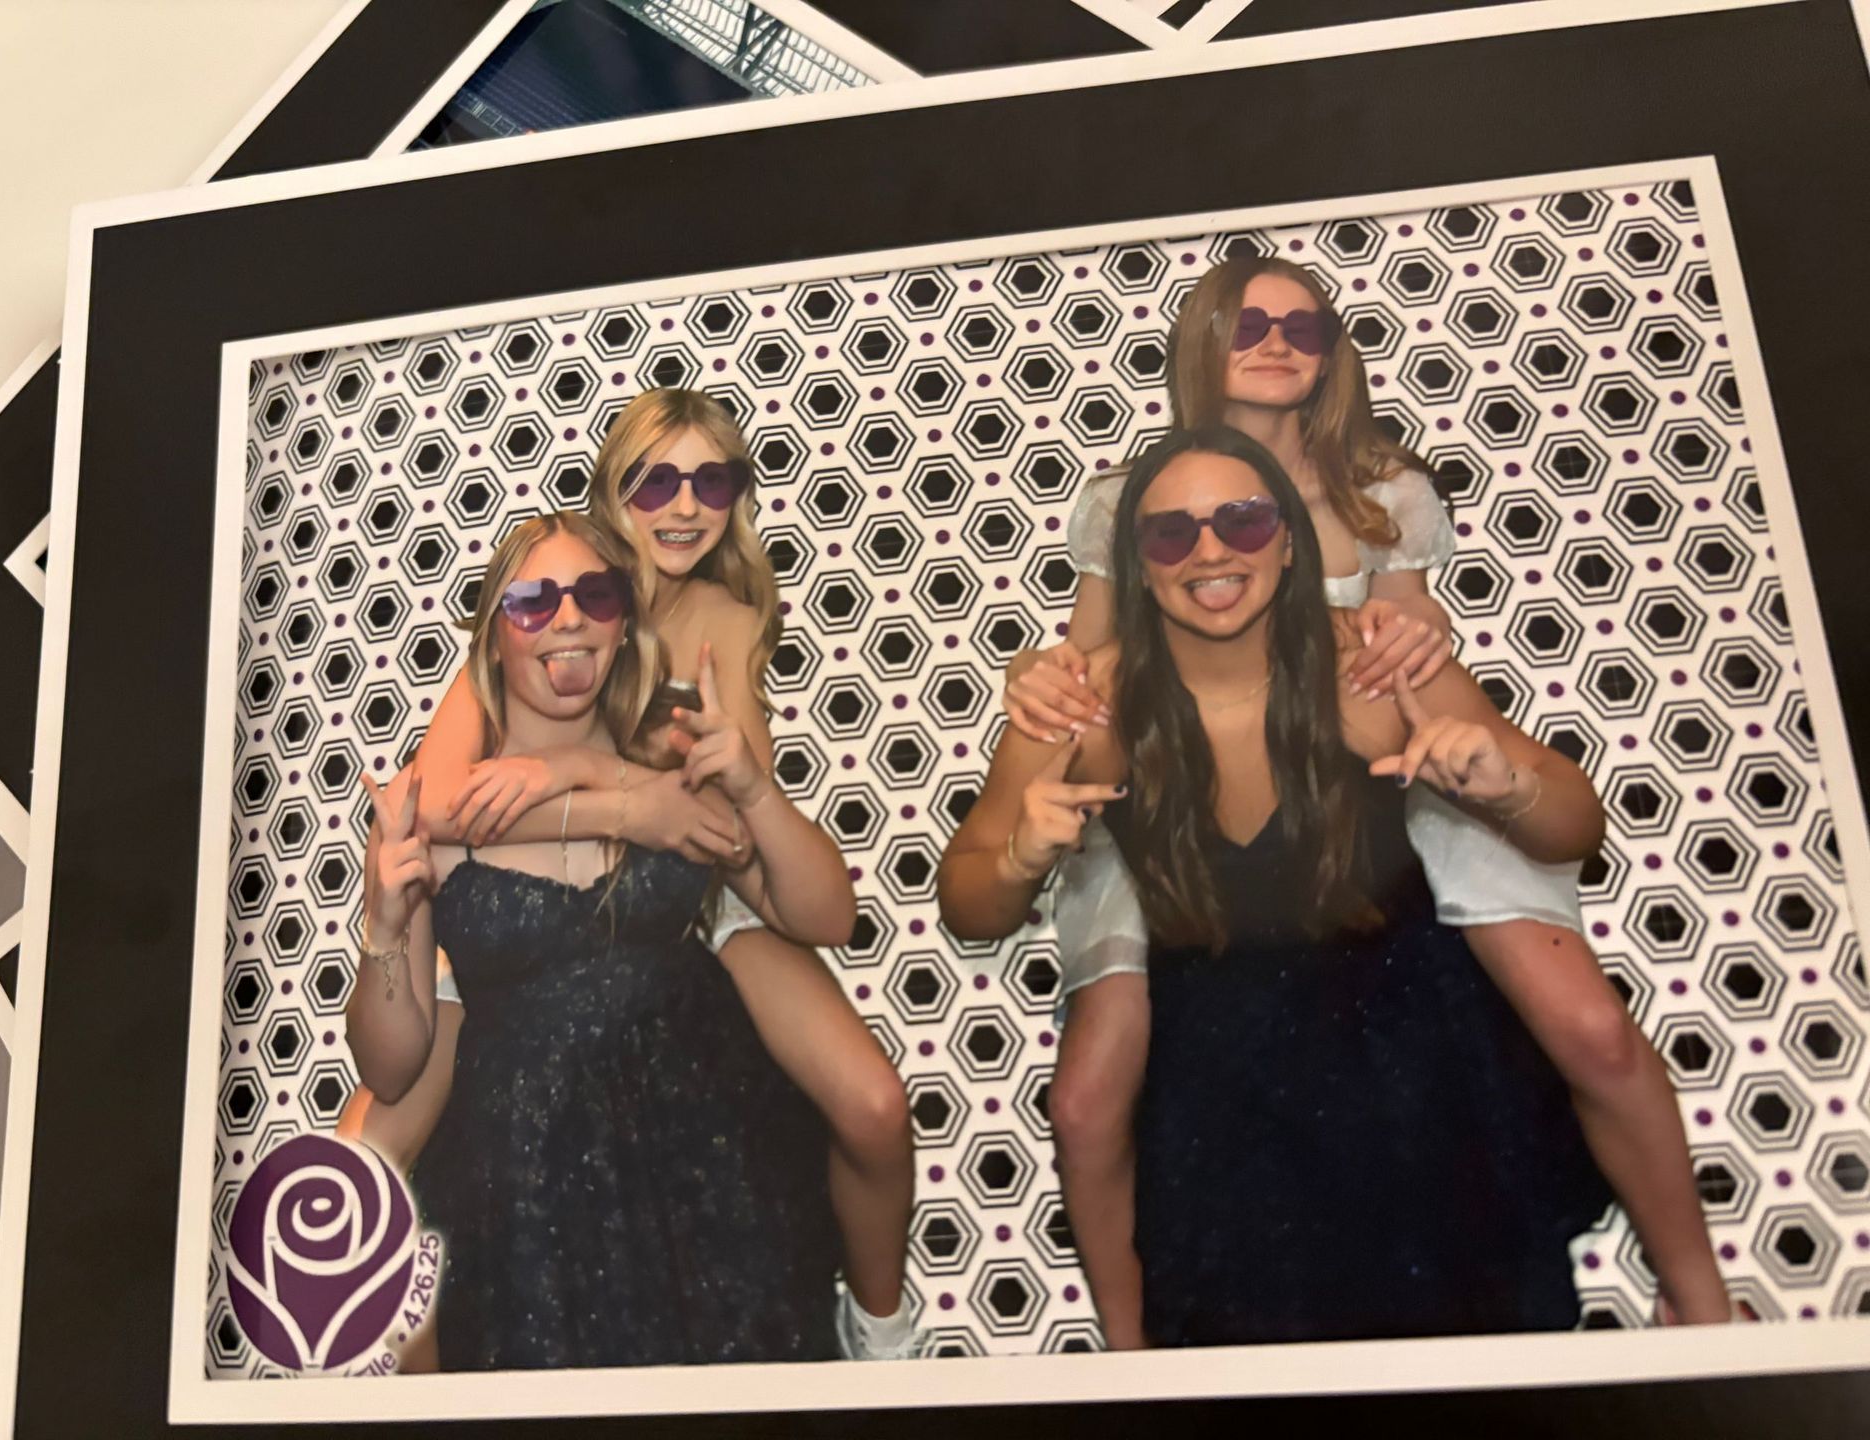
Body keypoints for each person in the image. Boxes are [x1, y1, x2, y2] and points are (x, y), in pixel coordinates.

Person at [994, 256, 1728, 1337]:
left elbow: (1406, 655)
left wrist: (1443, 726)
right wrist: (1039, 685)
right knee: (1088, 1094)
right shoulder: (1128, 497)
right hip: (1175, 792)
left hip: (1378, 777)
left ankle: (1701, 1300)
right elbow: (1094, 666)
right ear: (1201, 340)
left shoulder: (1386, 492)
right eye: (1249, 322)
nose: (1276, 341)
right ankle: (1131, 1357)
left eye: (1305, 326)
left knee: (1589, 1027)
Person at [940, 427, 1617, 1343]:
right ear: (1137, 565)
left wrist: (1506, 789)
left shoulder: (1372, 663)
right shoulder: (1087, 704)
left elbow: (1576, 824)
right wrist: (1019, 859)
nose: (1210, 551)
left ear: (1290, 540)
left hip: (1415, 1071)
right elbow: (967, 901)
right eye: (1170, 533)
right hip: (1218, 1098)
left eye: (1244, 521)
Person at [383, 388, 918, 1360]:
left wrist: (613, 786)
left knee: (874, 1104)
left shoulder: (727, 619)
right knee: (360, 1165)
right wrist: (612, 796)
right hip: (515, 916)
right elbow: (434, 802)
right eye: (655, 478)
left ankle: (881, 1335)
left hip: (686, 897)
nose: (684, 503)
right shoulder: (545, 587)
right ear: (611, 487)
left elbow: (734, 819)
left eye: (712, 480)